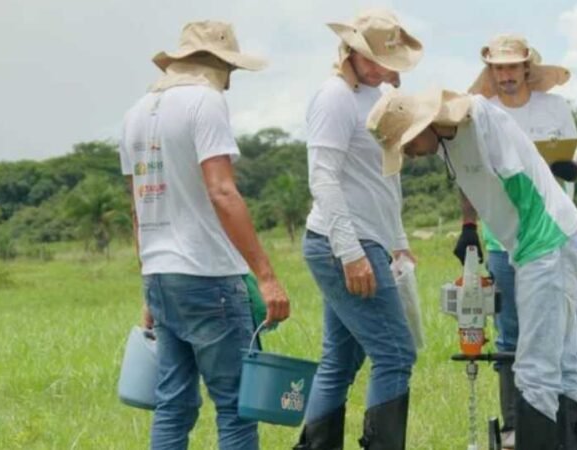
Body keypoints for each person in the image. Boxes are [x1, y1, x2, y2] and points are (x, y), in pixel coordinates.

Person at [367, 88, 577, 450]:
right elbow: (468, 179)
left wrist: (533, 257)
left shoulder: (481, 117)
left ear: (425, 124)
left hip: (548, 239)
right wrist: (469, 226)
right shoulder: (444, 142)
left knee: (535, 367)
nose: (408, 154)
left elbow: (514, 175)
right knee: (562, 362)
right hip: (530, 245)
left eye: (406, 144)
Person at [119, 21, 290, 450]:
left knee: (172, 404)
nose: (230, 80)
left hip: (161, 275)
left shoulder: (136, 113)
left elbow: (138, 209)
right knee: (235, 406)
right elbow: (222, 191)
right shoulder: (205, 101)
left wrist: (149, 284)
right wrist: (267, 277)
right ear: (219, 63)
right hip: (208, 275)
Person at [467, 34, 577, 447]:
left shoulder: (555, 107)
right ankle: (518, 427)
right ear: (491, 71)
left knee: (576, 327)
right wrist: (468, 227)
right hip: (504, 238)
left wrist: (571, 168)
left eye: (512, 66)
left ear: (526, 68)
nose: (506, 74)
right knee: (511, 334)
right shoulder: (483, 112)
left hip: (557, 234)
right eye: (498, 68)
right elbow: (471, 176)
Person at [294, 8, 421, 450]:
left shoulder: (377, 96)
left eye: (390, 61)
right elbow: (323, 177)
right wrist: (350, 253)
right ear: (351, 50)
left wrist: (398, 242)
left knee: (340, 360)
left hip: (370, 240)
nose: (384, 68)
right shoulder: (334, 97)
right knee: (396, 353)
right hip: (343, 244)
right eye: (375, 58)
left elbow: (385, 175)